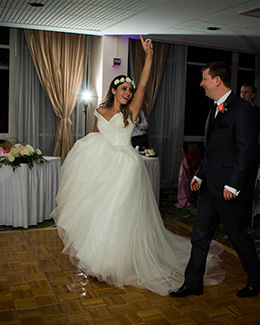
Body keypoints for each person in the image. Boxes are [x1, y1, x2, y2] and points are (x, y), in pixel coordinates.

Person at [52, 36, 223, 296]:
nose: (129, 92)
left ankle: (120, 261)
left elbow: (143, 82)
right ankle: (100, 260)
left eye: (130, 91)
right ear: (113, 89)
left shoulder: (130, 111)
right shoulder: (100, 111)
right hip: (103, 164)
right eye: (124, 89)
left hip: (125, 167)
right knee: (101, 212)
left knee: (119, 214)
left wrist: (149, 57)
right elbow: (96, 135)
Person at [170, 61, 260, 299]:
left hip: (228, 190)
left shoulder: (242, 109)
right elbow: (213, 150)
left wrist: (233, 185)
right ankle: (192, 283)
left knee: (238, 236)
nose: (201, 83)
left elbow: (246, 150)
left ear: (217, 80)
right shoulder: (214, 108)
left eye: (204, 78)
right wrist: (200, 175)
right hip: (208, 188)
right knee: (199, 236)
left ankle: (257, 278)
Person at [239, 83, 260, 153]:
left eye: (246, 92)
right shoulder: (236, 110)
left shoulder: (258, 112)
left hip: (250, 148)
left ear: (253, 95)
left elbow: (253, 130)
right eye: (241, 92)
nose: (243, 94)